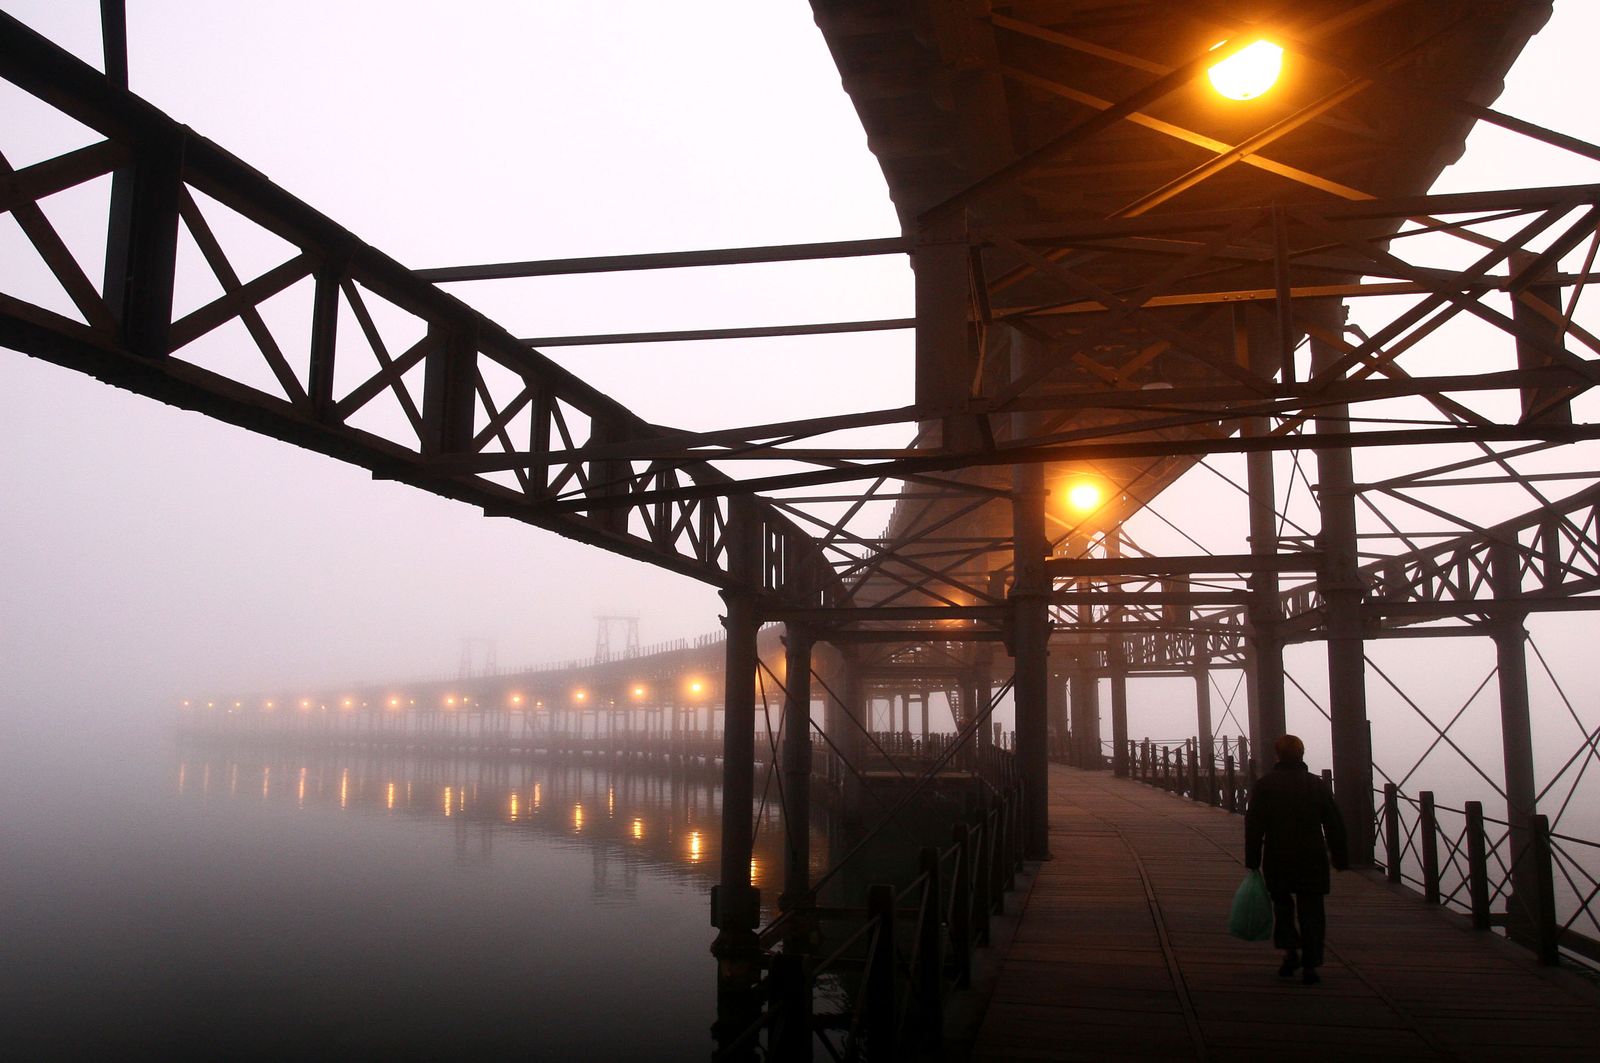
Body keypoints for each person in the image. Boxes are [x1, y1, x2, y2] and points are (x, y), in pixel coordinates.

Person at [1244, 734, 1349, 985]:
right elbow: (1334, 824)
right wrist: (1340, 857)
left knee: (1282, 906)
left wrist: (1252, 858)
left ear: (1277, 755)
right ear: (1302, 754)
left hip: (1278, 854)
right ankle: (1311, 964)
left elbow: (1254, 824)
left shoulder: (1265, 785)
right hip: (1312, 856)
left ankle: (1290, 952)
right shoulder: (1316, 785)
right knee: (1312, 910)